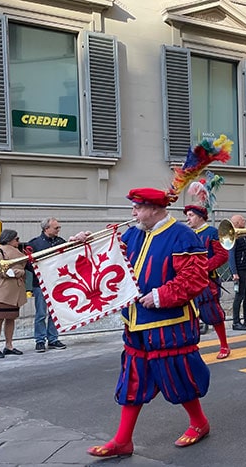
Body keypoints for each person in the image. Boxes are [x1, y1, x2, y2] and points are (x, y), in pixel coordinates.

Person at [86, 187, 211, 457]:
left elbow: (196, 278)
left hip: (171, 322)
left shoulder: (183, 236)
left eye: (137, 207)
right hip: (135, 321)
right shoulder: (133, 233)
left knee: (178, 374)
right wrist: (86, 244)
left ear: (155, 209)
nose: (132, 213)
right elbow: (110, 261)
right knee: (133, 378)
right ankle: (122, 440)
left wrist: (161, 295)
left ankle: (199, 422)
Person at [185, 204, 231, 359]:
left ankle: (224, 345)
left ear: (199, 216)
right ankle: (193, 347)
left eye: (190, 215)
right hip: (190, 280)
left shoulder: (212, 232)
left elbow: (222, 256)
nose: (188, 218)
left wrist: (203, 268)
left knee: (213, 313)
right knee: (191, 314)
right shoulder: (188, 234)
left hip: (207, 281)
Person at [26, 218, 67, 352]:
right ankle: (40, 340)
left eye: (59, 228)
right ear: (46, 229)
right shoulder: (34, 244)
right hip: (40, 283)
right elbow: (28, 264)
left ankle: (53, 339)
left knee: (55, 312)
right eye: (56, 228)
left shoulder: (61, 242)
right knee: (41, 313)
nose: (58, 230)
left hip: (56, 282)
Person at [0, 230, 28, 358]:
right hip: (3, 291)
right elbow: (0, 271)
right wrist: (19, 272)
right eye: (16, 239)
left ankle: (9, 345)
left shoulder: (20, 253)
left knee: (11, 318)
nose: (18, 242)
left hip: (16, 291)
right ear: (8, 240)